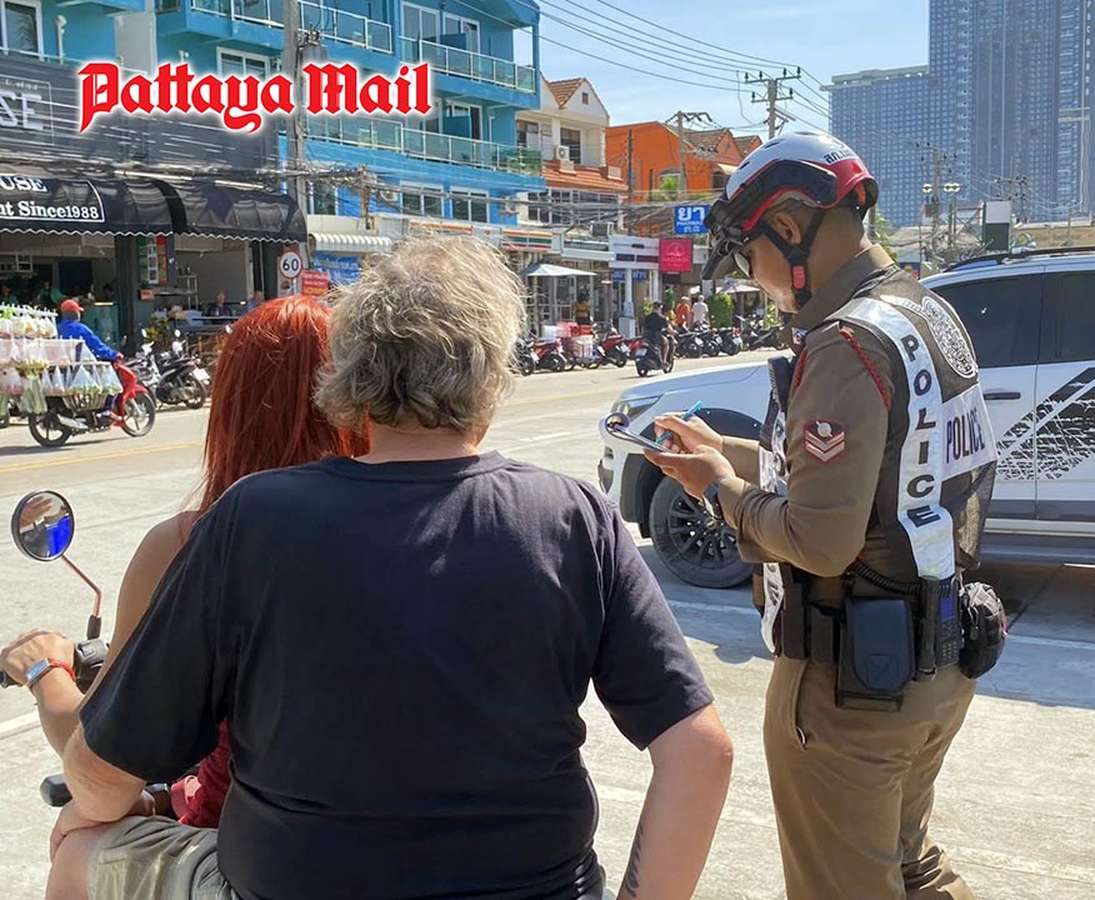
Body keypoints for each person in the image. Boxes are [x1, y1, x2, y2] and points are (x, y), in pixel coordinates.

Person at [45, 236, 732, 900]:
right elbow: (700, 753)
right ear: (491, 379)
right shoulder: (573, 516)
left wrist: (94, 797)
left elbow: (104, 774)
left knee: (78, 848)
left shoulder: (253, 518)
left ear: (352, 380)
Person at [646, 132, 996, 900]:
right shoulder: (923, 313)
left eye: (747, 255)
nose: (751, 278)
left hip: (851, 687)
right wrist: (727, 453)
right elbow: (884, 478)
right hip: (935, 660)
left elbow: (820, 539)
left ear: (792, 226)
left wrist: (718, 491)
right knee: (910, 867)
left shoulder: (845, 342)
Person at [1, 297, 367, 824]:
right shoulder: (411, 527)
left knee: (77, 828)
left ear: (231, 408)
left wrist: (44, 666)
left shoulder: (188, 541)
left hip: (249, 845)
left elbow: (98, 766)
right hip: (408, 841)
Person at [643, 301, 673, 365]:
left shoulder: (647, 317)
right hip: (656, 336)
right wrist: (674, 332)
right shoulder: (661, 318)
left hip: (647, 336)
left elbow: (644, 327)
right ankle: (664, 360)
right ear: (660, 308)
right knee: (666, 343)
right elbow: (668, 329)